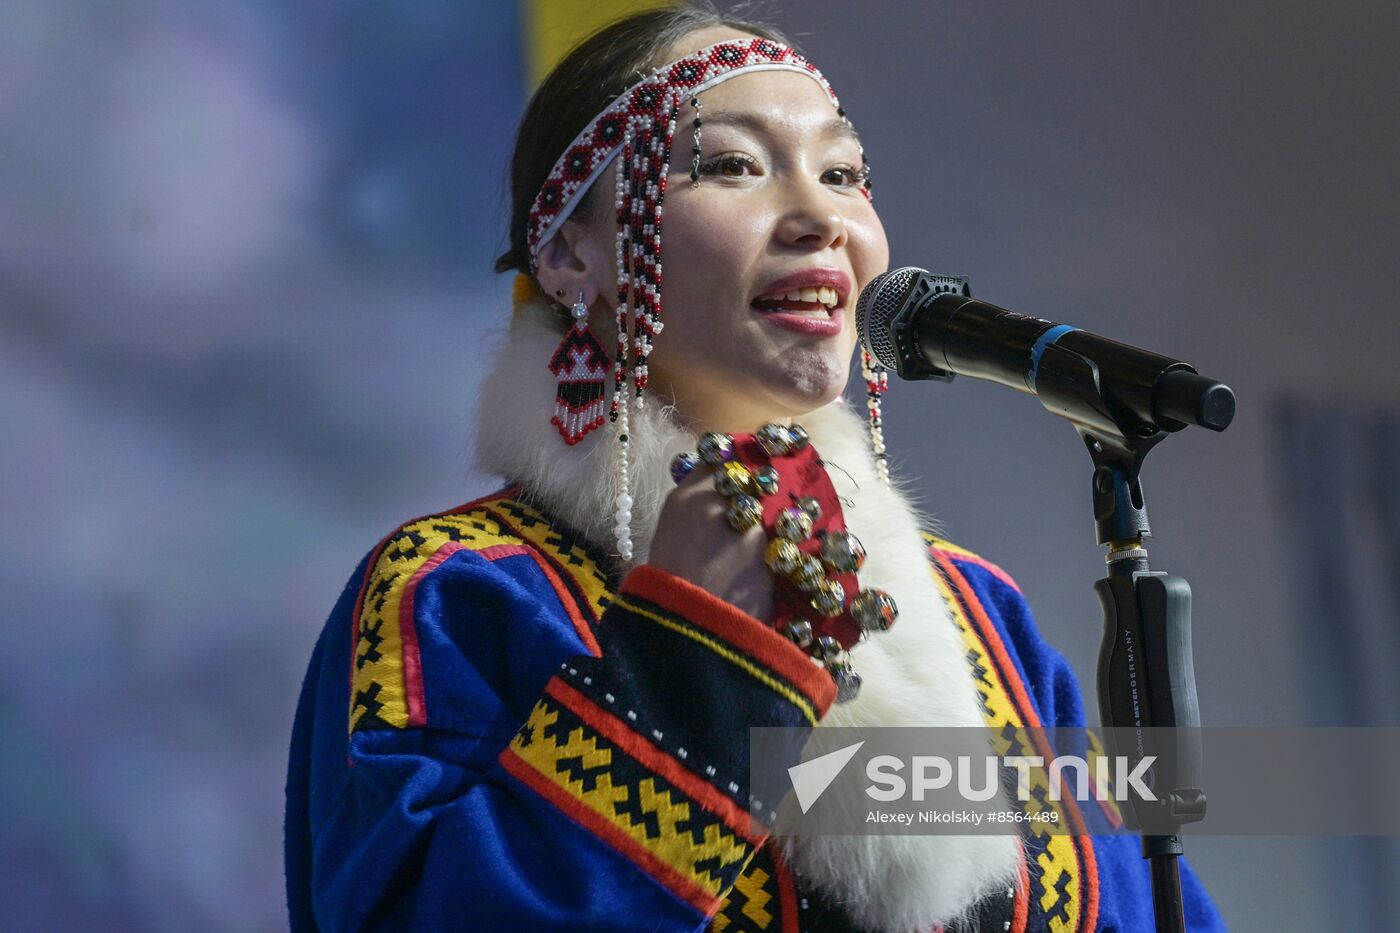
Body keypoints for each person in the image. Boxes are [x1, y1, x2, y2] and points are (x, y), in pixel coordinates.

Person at [283, 6, 1224, 931]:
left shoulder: (980, 612)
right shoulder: (464, 594)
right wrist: (689, 660)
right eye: (732, 164)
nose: (821, 217)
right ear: (570, 250)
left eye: (843, 173)